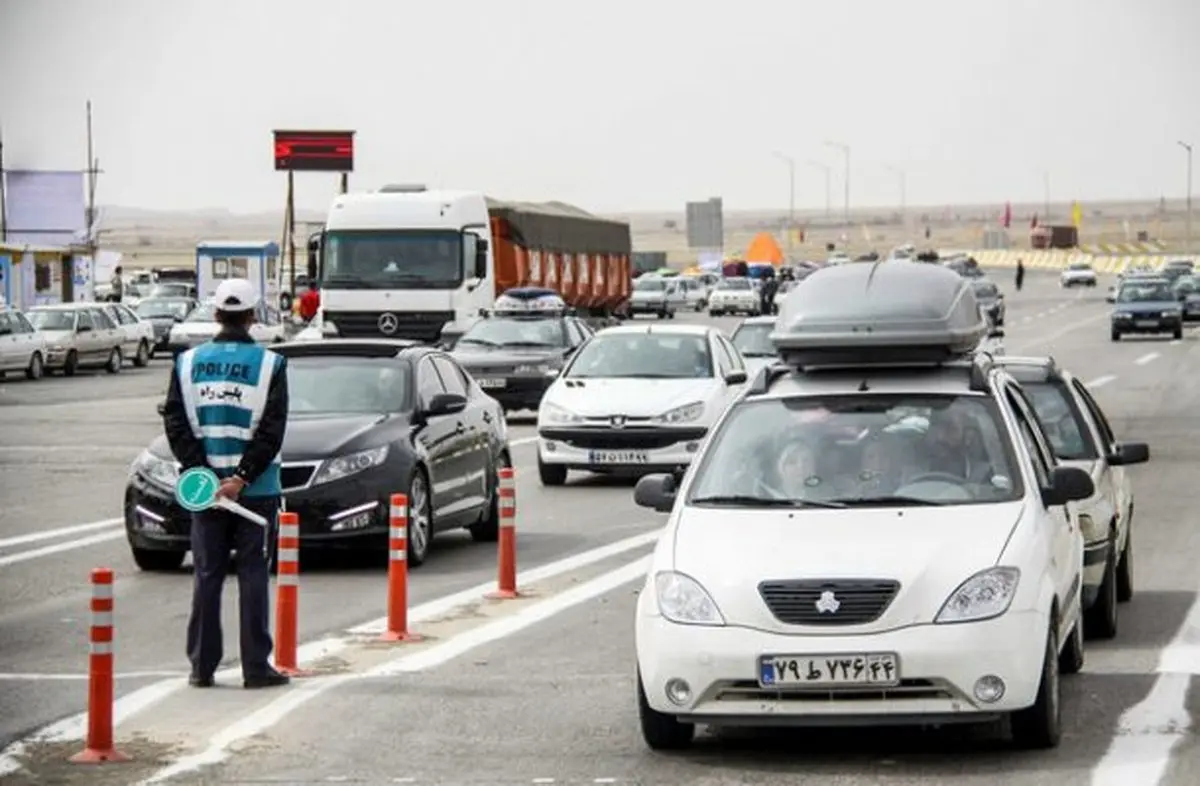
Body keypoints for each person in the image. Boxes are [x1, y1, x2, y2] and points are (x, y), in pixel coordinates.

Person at [162, 278, 290, 690]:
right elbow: (272, 431)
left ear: (216, 313)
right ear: (253, 316)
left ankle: (202, 667)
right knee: (253, 574)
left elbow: (176, 424)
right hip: (257, 492)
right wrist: (241, 478)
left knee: (207, 575)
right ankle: (256, 668)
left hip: (205, 492)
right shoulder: (272, 365)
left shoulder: (186, 363)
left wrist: (205, 474)